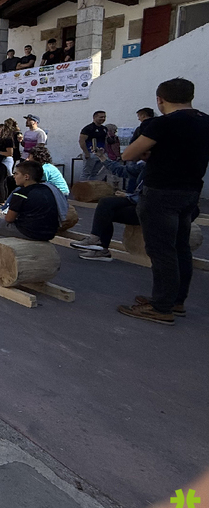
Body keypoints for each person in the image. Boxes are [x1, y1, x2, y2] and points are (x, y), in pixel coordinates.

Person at [116, 78, 209, 325]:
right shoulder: (205, 121)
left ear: (160, 100)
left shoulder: (163, 123)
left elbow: (129, 154)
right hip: (190, 190)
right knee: (180, 247)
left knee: (161, 250)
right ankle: (176, 300)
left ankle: (161, 306)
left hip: (161, 191)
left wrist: (150, 153)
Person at [70, 155, 145, 262]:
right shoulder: (144, 165)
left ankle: (98, 243)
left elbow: (153, 196)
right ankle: (99, 243)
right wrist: (102, 157)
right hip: (138, 202)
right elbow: (122, 170)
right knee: (106, 206)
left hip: (153, 209)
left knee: (107, 209)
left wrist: (128, 196)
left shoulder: (160, 167)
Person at [0, 161, 59, 243]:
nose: (14, 176)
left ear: (26, 177)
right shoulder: (47, 189)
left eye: (16, 174)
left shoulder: (21, 193)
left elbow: (9, 219)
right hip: (50, 233)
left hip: (29, 232)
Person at [79, 110, 108, 181]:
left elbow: (105, 141)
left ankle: (92, 186)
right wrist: (86, 153)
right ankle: (82, 187)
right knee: (86, 173)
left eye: (104, 117)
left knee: (95, 173)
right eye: (101, 117)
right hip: (91, 153)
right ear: (94, 117)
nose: (103, 119)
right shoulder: (88, 128)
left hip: (101, 154)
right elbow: (81, 141)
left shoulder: (104, 129)